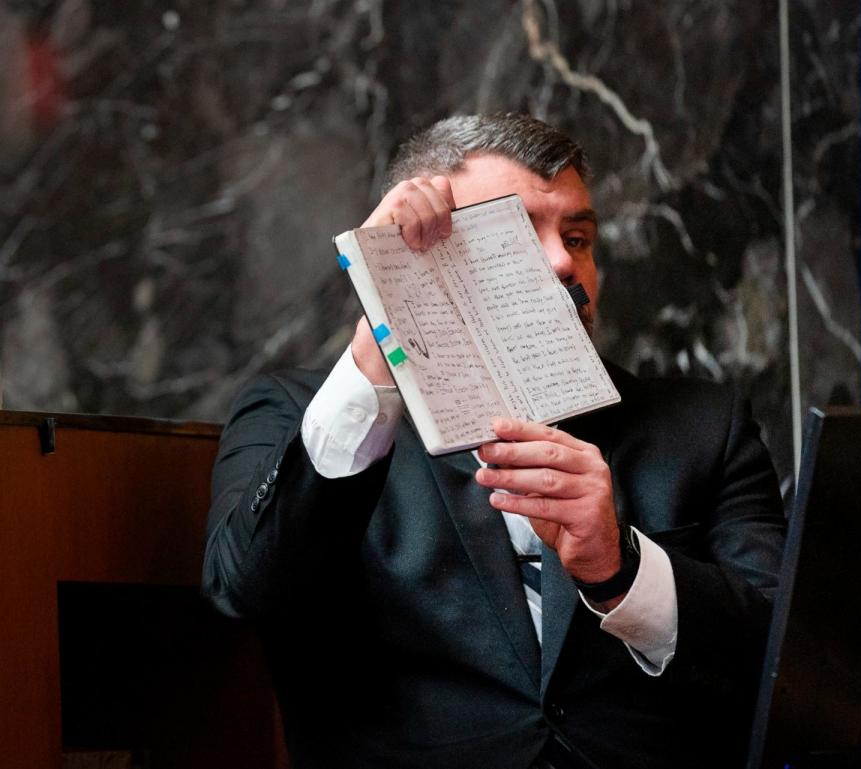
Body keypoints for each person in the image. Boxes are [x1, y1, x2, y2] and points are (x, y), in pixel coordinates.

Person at [202, 113, 785, 769]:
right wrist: (381, 316)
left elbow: (787, 660)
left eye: (579, 236)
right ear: (419, 251)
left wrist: (622, 570)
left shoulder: (704, 426)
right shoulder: (302, 413)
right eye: (518, 232)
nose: (566, 261)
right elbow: (245, 589)